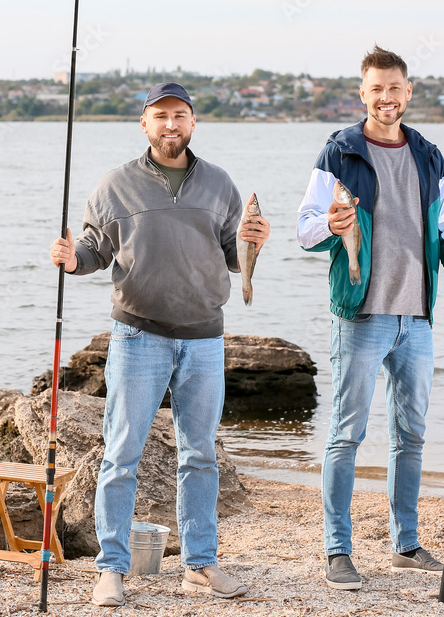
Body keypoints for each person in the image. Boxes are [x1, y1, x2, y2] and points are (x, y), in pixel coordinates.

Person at [50, 82, 269, 607]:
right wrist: (71, 257)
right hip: (137, 336)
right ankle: (111, 569)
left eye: (181, 116)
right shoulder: (116, 185)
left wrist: (254, 240)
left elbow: (233, 255)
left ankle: (199, 564)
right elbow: (95, 249)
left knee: (200, 456)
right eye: (161, 116)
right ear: (144, 125)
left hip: (204, 339)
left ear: (193, 124)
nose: (171, 125)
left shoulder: (220, 185)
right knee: (120, 455)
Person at [296, 46, 444, 591]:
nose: (386, 98)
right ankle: (337, 551)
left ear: (408, 92)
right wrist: (332, 225)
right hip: (361, 316)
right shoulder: (339, 152)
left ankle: (404, 544)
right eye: (376, 89)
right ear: (362, 94)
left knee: (410, 435)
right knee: (347, 434)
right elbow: (305, 231)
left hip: (417, 319)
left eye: (395, 88)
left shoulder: (430, 156)